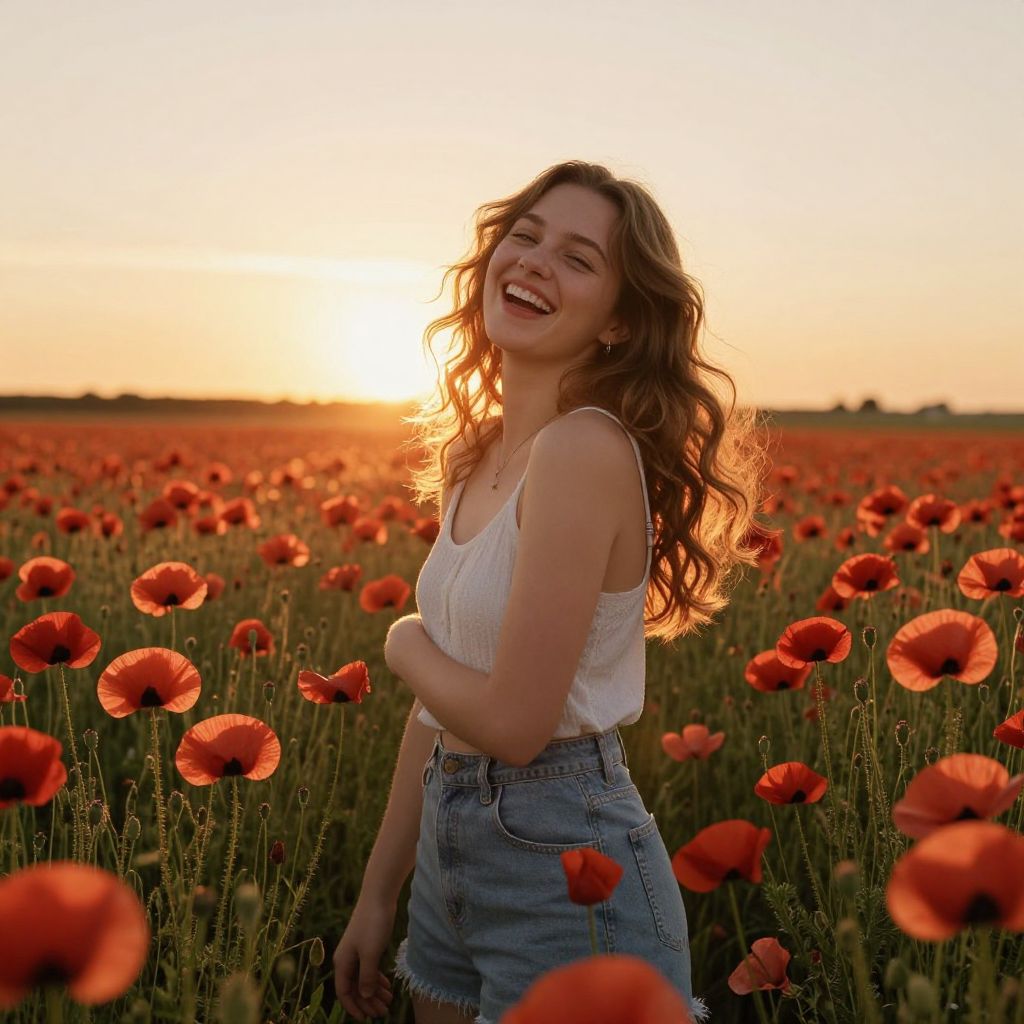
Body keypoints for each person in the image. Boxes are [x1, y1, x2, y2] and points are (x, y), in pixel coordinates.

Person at [333, 160, 767, 1024]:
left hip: (568, 862)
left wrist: (400, 640)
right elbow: (442, 717)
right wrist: (379, 891)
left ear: (616, 325)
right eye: (523, 237)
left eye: (577, 257)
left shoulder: (585, 453)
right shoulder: (476, 454)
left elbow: (517, 726)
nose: (532, 261)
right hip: (451, 850)